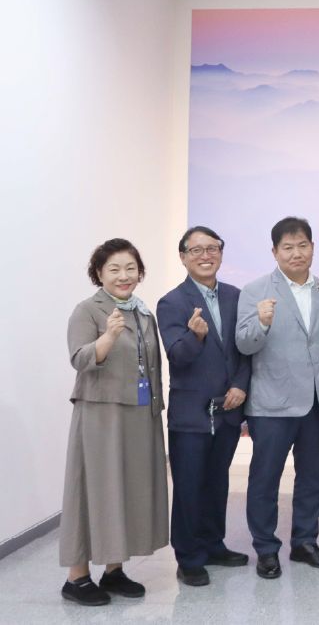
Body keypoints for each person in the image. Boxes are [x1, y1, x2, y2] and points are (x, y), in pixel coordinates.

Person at [236, 217, 319, 579]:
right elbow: (243, 345)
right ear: (275, 252)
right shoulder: (255, 291)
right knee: (265, 478)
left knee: (312, 476)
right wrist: (262, 322)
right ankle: (266, 549)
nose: (296, 253)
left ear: (312, 248)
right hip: (272, 403)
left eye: (302, 245)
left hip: (317, 401)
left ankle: (305, 542)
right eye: (288, 247)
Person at [61, 239, 168, 606]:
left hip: (138, 413)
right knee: (93, 490)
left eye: (130, 268)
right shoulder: (87, 310)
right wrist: (107, 337)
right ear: (99, 273)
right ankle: (76, 578)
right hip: (101, 415)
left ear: (140, 272)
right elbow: (79, 359)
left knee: (125, 489)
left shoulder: (142, 312)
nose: (124, 276)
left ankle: (113, 570)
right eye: (114, 269)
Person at [156, 227, 251, 588]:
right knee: (189, 485)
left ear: (221, 253)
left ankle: (213, 544)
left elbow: (246, 350)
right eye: (196, 250)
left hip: (228, 408)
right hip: (191, 412)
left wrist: (241, 384)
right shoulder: (171, 302)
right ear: (183, 257)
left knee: (217, 481)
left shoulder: (235, 296)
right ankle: (188, 556)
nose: (205, 255)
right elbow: (178, 357)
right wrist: (195, 336)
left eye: (212, 248)